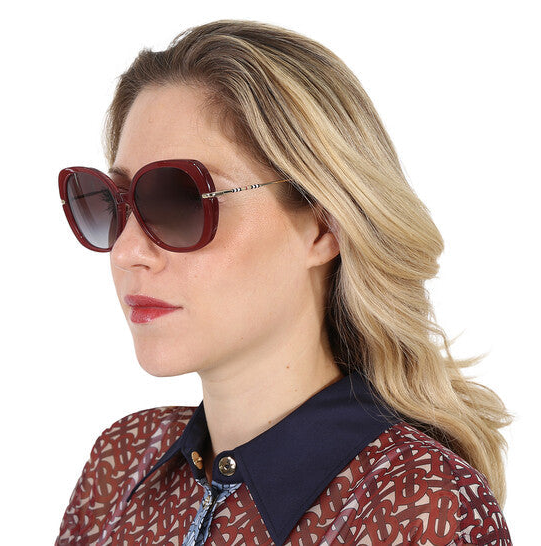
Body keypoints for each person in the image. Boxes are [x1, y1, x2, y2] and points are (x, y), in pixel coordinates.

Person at [55, 19, 513, 545]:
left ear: (323, 226)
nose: (127, 251)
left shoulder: (418, 504)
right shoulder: (125, 462)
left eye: (178, 201)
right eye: (113, 203)